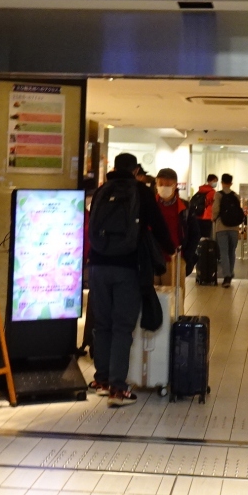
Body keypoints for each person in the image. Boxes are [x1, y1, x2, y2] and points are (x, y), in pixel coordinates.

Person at [87, 153, 175, 406]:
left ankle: (102, 380)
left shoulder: (102, 191)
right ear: (136, 170)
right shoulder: (142, 192)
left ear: (114, 168)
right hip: (127, 266)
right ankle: (118, 388)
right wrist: (170, 248)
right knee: (122, 327)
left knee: (102, 324)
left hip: (98, 265)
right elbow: (158, 225)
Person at [155, 167, 202, 278]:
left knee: (175, 289)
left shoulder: (185, 207)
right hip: (152, 260)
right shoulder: (150, 205)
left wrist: (186, 256)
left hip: (176, 260)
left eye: (168, 185)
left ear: (175, 185)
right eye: (160, 184)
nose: (163, 187)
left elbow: (195, 234)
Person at [212, 173, 245, 287]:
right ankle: (230, 272)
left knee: (223, 251)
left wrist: (213, 218)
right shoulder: (236, 195)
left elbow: (215, 209)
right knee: (232, 251)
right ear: (231, 183)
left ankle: (227, 276)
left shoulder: (218, 195)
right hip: (234, 227)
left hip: (221, 227)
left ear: (221, 182)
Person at [191, 173, 217, 239]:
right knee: (206, 236)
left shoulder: (200, 190)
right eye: (215, 181)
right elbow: (213, 203)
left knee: (199, 235)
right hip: (207, 216)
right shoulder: (212, 192)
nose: (216, 183)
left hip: (198, 214)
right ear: (210, 181)